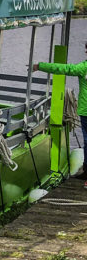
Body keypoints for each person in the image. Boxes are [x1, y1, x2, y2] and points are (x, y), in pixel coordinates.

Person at [34, 47, 87, 184]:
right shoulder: (83, 67)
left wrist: (40, 66)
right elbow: (64, 68)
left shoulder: (84, 67)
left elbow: (63, 68)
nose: (85, 52)